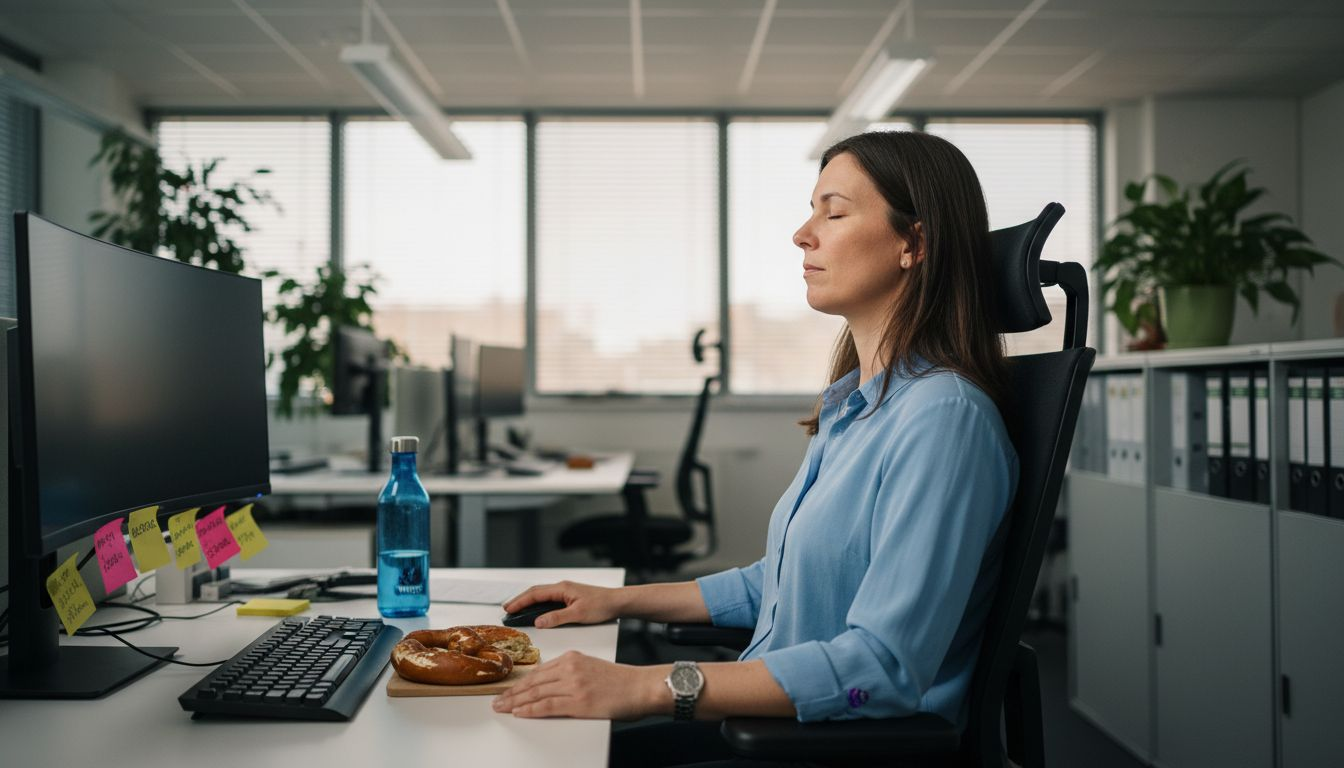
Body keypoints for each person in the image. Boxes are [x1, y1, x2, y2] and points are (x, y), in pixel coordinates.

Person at [492, 130, 1020, 768]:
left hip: (836, 748)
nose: (805, 233)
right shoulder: (856, 408)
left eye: (834, 210)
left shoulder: (944, 420)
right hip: (775, 726)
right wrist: (620, 598)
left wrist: (646, 684)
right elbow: (785, 578)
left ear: (914, 243)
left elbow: (881, 666)